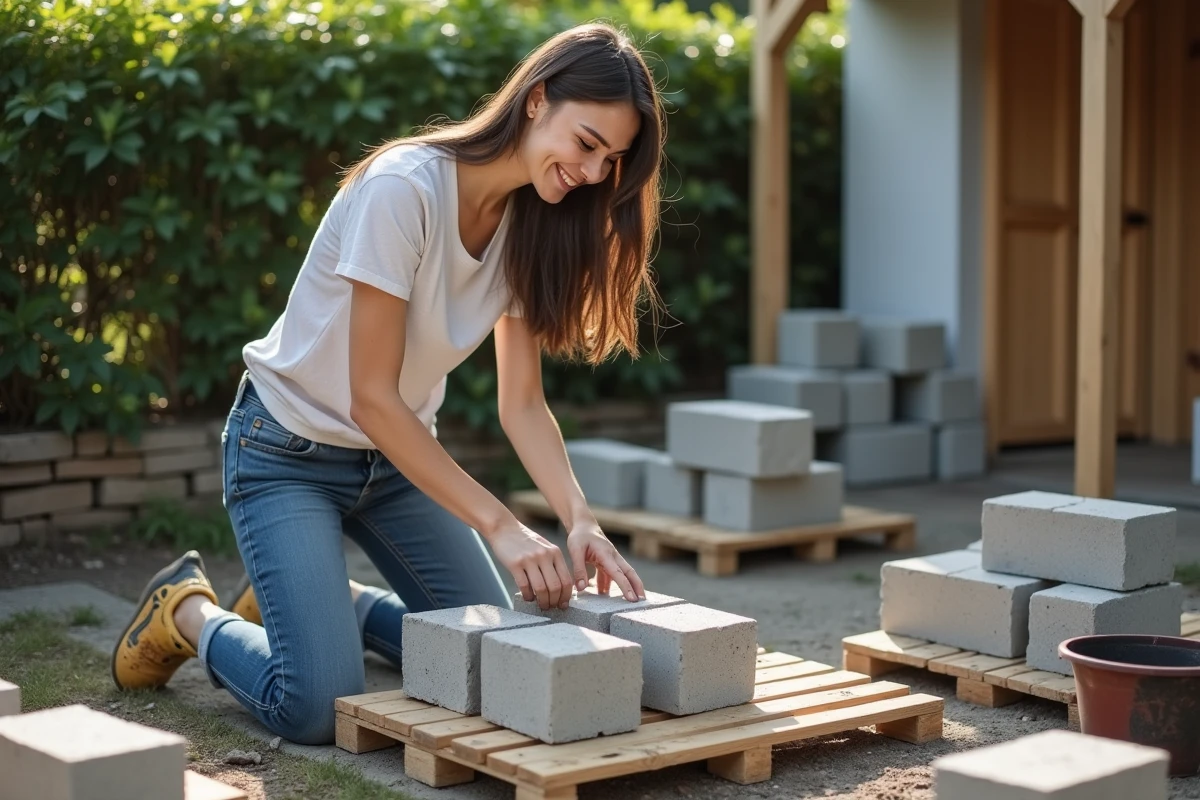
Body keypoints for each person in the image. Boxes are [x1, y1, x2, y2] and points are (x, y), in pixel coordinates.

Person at [110, 22, 666, 744]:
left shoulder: (533, 221)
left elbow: (522, 402)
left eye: (611, 160)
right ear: (536, 102)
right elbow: (371, 398)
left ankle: (323, 602)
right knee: (314, 706)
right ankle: (188, 613)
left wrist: (579, 518)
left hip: (396, 470)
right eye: (587, 144)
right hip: (286, 455)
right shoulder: (404, 189)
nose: (593, 173)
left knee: (499, 661)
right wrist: (499, 523)